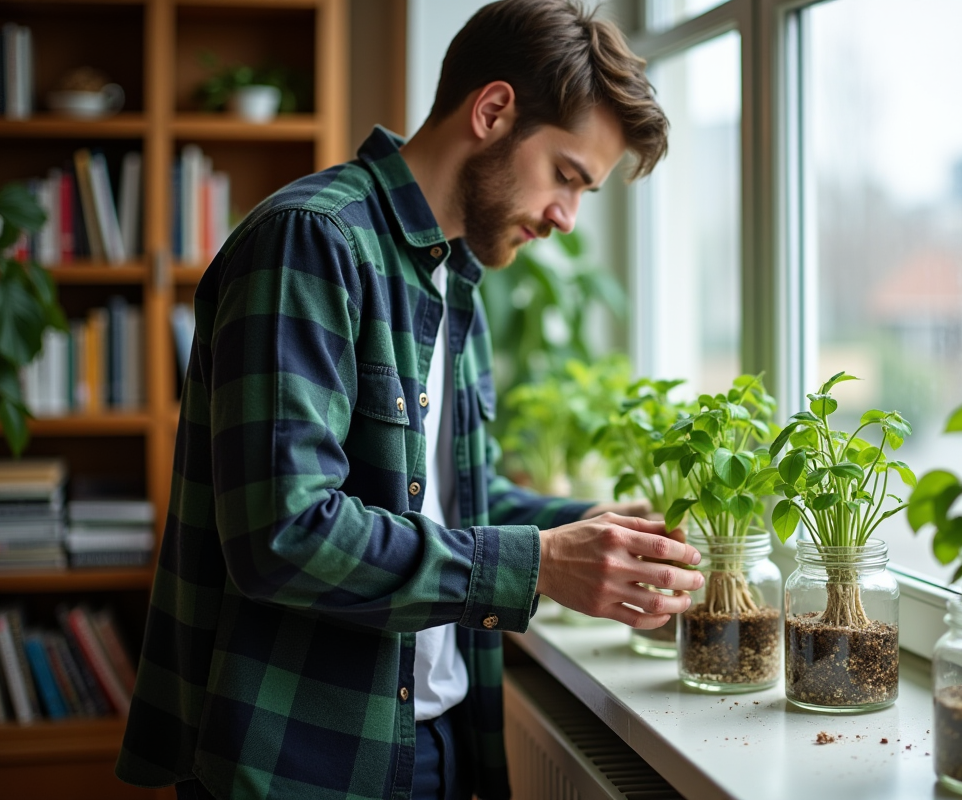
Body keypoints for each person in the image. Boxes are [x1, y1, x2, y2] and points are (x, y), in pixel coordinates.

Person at [115, 1, 696, 798]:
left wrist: (587, 530)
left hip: (442, 741)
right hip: (304, 764)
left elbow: (455, 500)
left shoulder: (456, 282)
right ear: (493, 111)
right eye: (566, 175)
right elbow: (282, 534)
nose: (566, 218)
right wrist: (537, 566)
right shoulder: (310, 243)